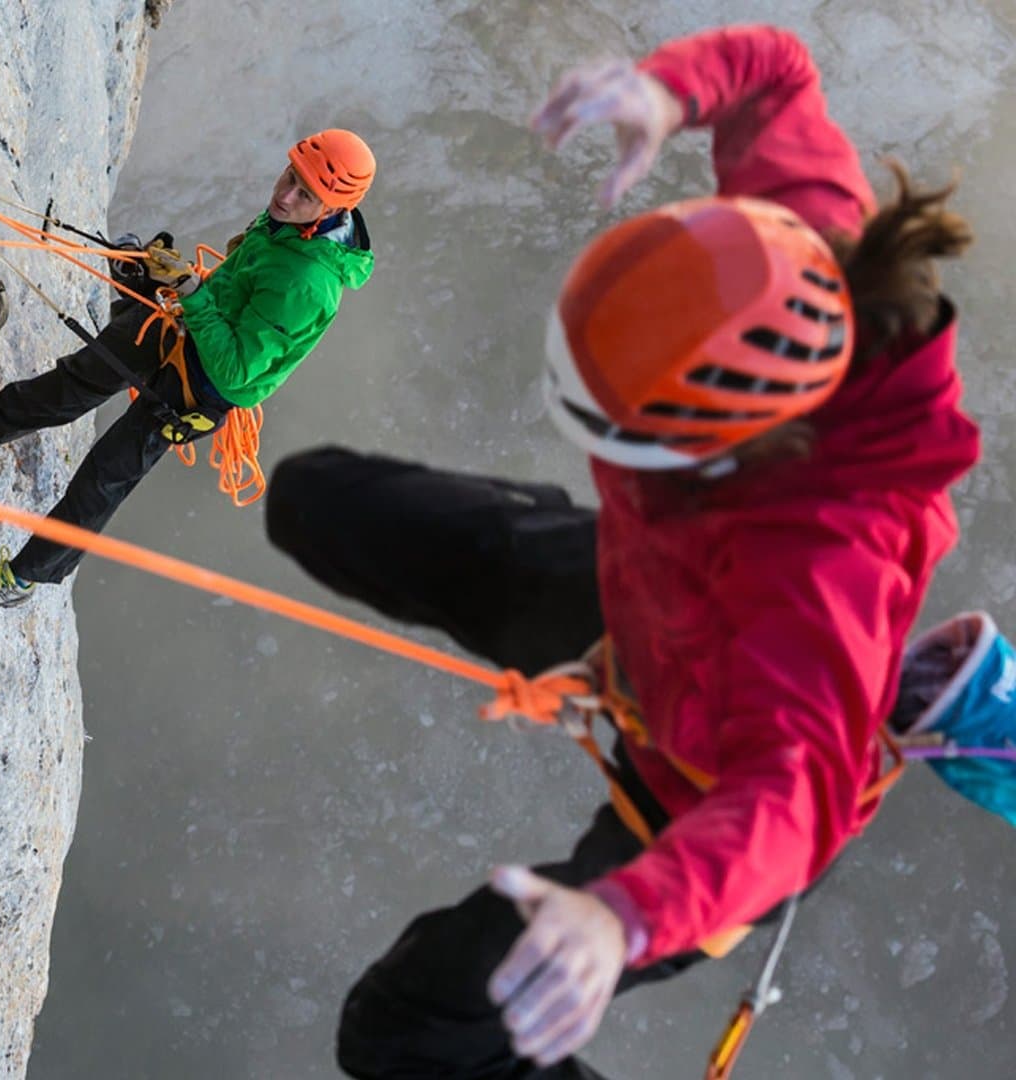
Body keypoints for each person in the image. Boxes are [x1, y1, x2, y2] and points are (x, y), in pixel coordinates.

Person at [262, 26, 980, 1077]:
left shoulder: (820, 579)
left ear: (722, 448)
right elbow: (776, 73)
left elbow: (791, 802)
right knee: (310, 500)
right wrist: (663, 91)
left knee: (405, 1030)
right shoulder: (800, 256)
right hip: (642, 592)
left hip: (701, 801)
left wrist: (621, 921)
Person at [0, 130, 376, 615]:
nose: (285, 194)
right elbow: (240, 287)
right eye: (291, 175)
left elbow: (234, 372)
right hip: (187, 327)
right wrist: (177, 280)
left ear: (333, 208)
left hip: (200, 388)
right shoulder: (291, 221)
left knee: (104, 478)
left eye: (305, 194)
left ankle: (21, 579)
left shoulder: (307, 284)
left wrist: (191, 290)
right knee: (84, 373)